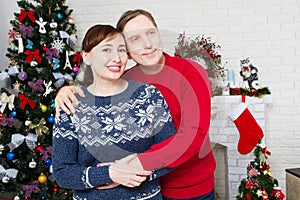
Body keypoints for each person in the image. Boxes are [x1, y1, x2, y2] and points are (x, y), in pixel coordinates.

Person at [55, 9, 216, 200]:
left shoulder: (190, 72)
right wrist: (66, 91)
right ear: (127, 52)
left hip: (188, 188)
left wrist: (132, 167)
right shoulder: (125, 79)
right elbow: (99, 91)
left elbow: (192, 134)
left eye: (151, 33)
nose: (148, 44)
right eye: (135, 39)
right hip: (147, 187)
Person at [52, 24, 177, 200]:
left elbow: (172, 151)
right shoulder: (71, 103)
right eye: (106, 50)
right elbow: (63, 172)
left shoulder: (148, 95)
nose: (117, 58)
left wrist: (134, 170)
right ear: (86, 56)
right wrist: (109, 174)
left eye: (121, 50)